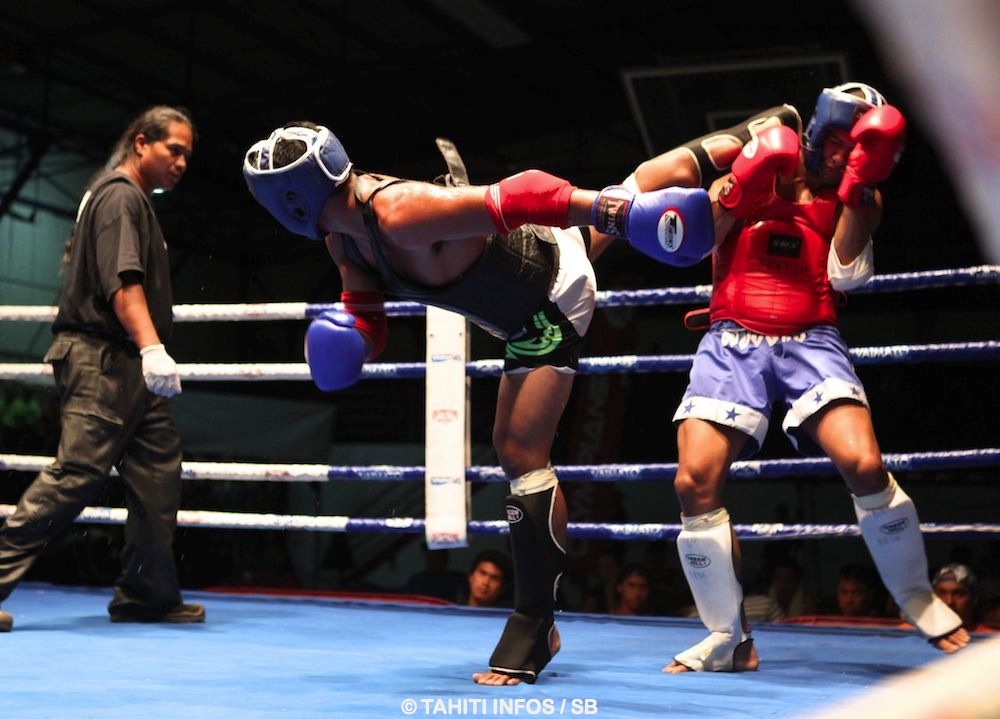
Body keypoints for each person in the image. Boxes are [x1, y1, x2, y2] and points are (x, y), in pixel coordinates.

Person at [242, 122, 714, 684]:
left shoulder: (398, 209)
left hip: (549, 296)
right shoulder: (342, 236)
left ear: (288, 200)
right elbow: (365, 309)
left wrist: (620, 216)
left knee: (519, 452)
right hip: (525, 282)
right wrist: (351, 337)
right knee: (633, 186)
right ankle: (744, 135)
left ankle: (536, 622)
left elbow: (525, 192)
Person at [590, 82, 970, 672]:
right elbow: (693, 243)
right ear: (819, 128)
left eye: (858, 149)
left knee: (865, 465)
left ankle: (916, 597)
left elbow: (844, 275)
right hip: (732, 337)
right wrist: (743, 185)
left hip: (810, 337)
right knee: (694, 482)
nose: (843, 156)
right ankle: (728, 637)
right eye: (839, 141)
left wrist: (860, 194)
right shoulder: (754, 157)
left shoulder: (858, 193)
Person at [0, 106, 204, 633]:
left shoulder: (128, 198)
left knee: (158, 477)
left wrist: (147, 355)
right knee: (76, 475)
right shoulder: (119, 195)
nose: (181, 162)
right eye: (173, 149)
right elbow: (122, 284)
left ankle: (146, 594)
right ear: (141, 143)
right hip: (106, 359)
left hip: (130, 364)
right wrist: (153, 347)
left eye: (187, 154)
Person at [931, 563, 993, 633]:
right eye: (941, 593)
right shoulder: (918, 635)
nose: (949, 601)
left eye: (958, 594)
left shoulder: (992, 639)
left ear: (975, 599)